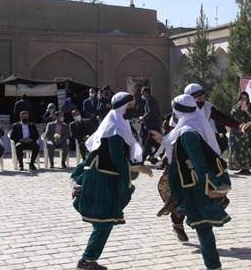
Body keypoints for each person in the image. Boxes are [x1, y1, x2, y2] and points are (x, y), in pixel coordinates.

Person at [71, 92, 153, 270]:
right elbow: (116, 158)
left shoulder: (119, 125)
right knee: (104, 222)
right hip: (102, 180)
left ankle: (89, 260)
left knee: (104, 223)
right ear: (122, 108)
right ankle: (86, 261)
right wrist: (137, 170)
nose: (133, 108)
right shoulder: (115, 128)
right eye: (129, 106)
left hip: (106, 177)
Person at [159, 94, 231, 270]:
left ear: (178, 111)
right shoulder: (194, 126)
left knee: (203, 229)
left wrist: (208, 185)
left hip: (197, 189)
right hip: (194, 186)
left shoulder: (187, 133)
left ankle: (214, 266)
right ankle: (214, 266)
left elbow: (199, 164)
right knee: (204, 229)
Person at [228, 91, 251, 174]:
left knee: (248, 148)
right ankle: (239, 166)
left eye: (245, 98)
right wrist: (238, 107)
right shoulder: (236, 106)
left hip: (248, 130)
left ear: (247, 99)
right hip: (237, 130)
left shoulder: (250, 106)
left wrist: (246, 110)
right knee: (238, 148)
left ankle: (247, 168)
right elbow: (232, 114)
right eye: (241, 98)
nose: (243, 100)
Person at [139, 87, 161, 164]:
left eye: (142, 92)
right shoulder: (154, 101)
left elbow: (150, 112)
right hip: (155, 125)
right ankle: (161, 159)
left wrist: (143, 118)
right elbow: (157, 113)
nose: (141, 94)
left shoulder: (149, 101)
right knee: (158, 144)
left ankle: (141, 161)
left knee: (147, 145)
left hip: (151, 126)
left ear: (146, 92)